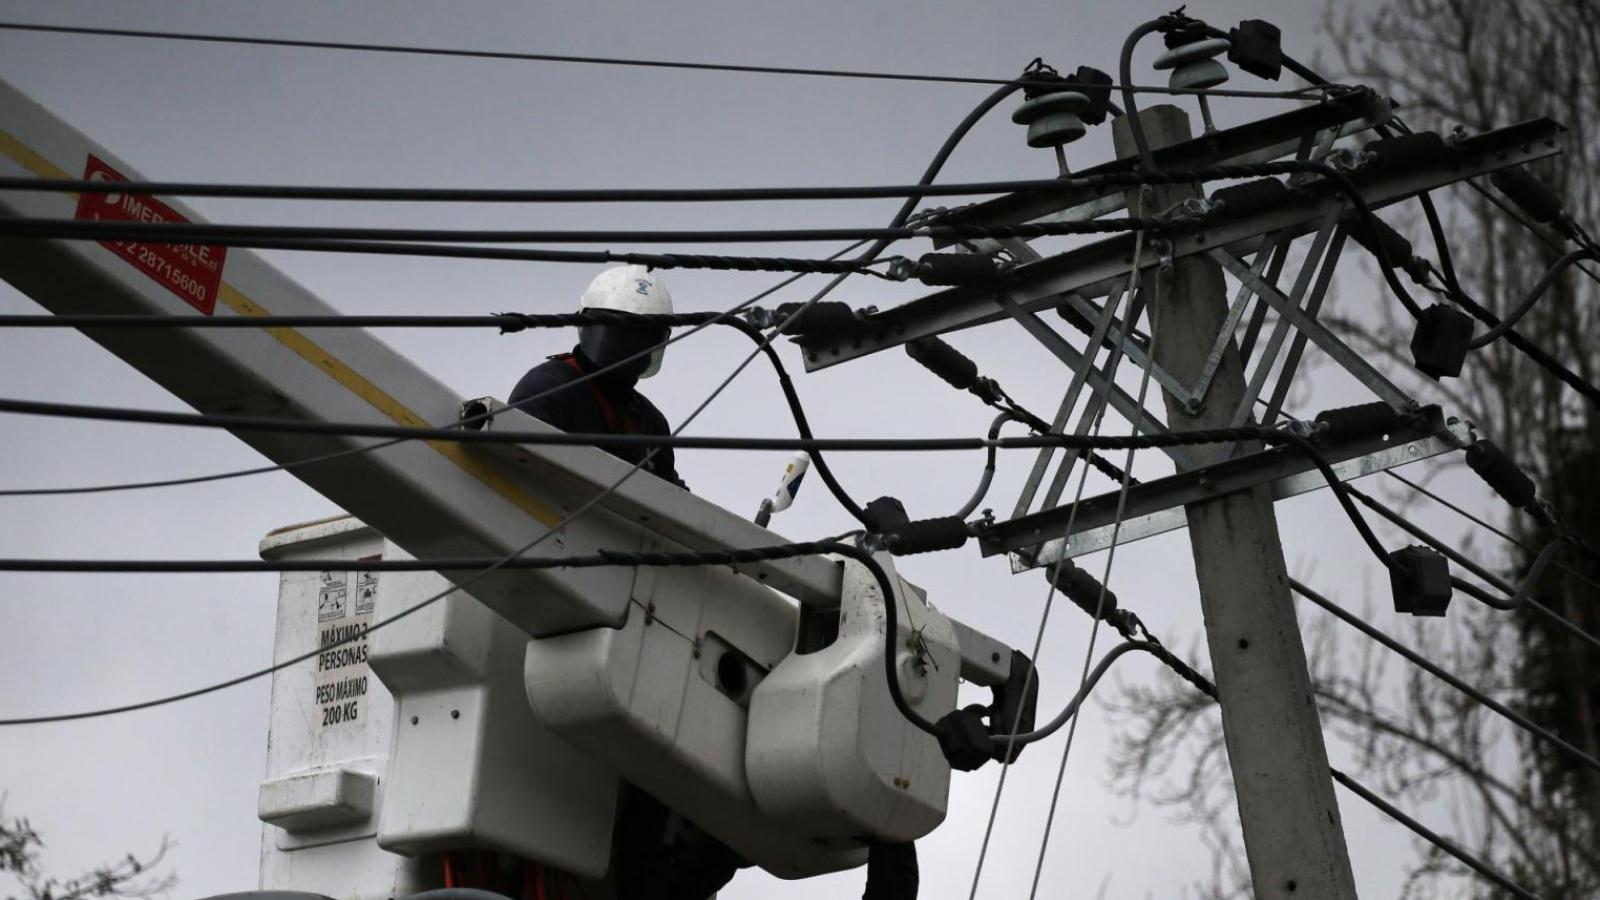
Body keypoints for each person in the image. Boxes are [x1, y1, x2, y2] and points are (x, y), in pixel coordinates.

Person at [511, 264, 686, 488]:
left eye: (642, 339)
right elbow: (517, 465)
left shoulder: (650, 421)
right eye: (621, 336)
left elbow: (675, 501)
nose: (630, 349)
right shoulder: (549, 388)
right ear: (587, 327)